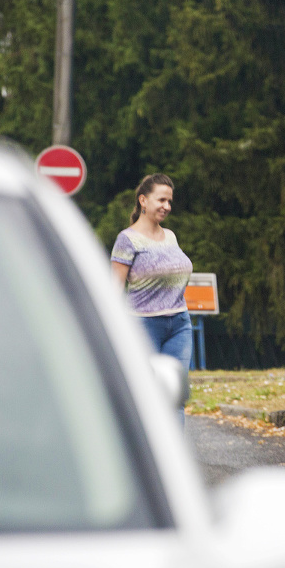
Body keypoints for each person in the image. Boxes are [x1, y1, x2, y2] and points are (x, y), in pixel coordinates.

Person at [111, 173, 193, 425]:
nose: (167, 206)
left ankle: (173, 461)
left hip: (179, 324)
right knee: (147, 399)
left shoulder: (170, 236)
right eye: (161, 200)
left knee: (174, 398)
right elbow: (114, 290)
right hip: (144, 327)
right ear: (143, 201)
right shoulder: (127, 240)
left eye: (169, 201)